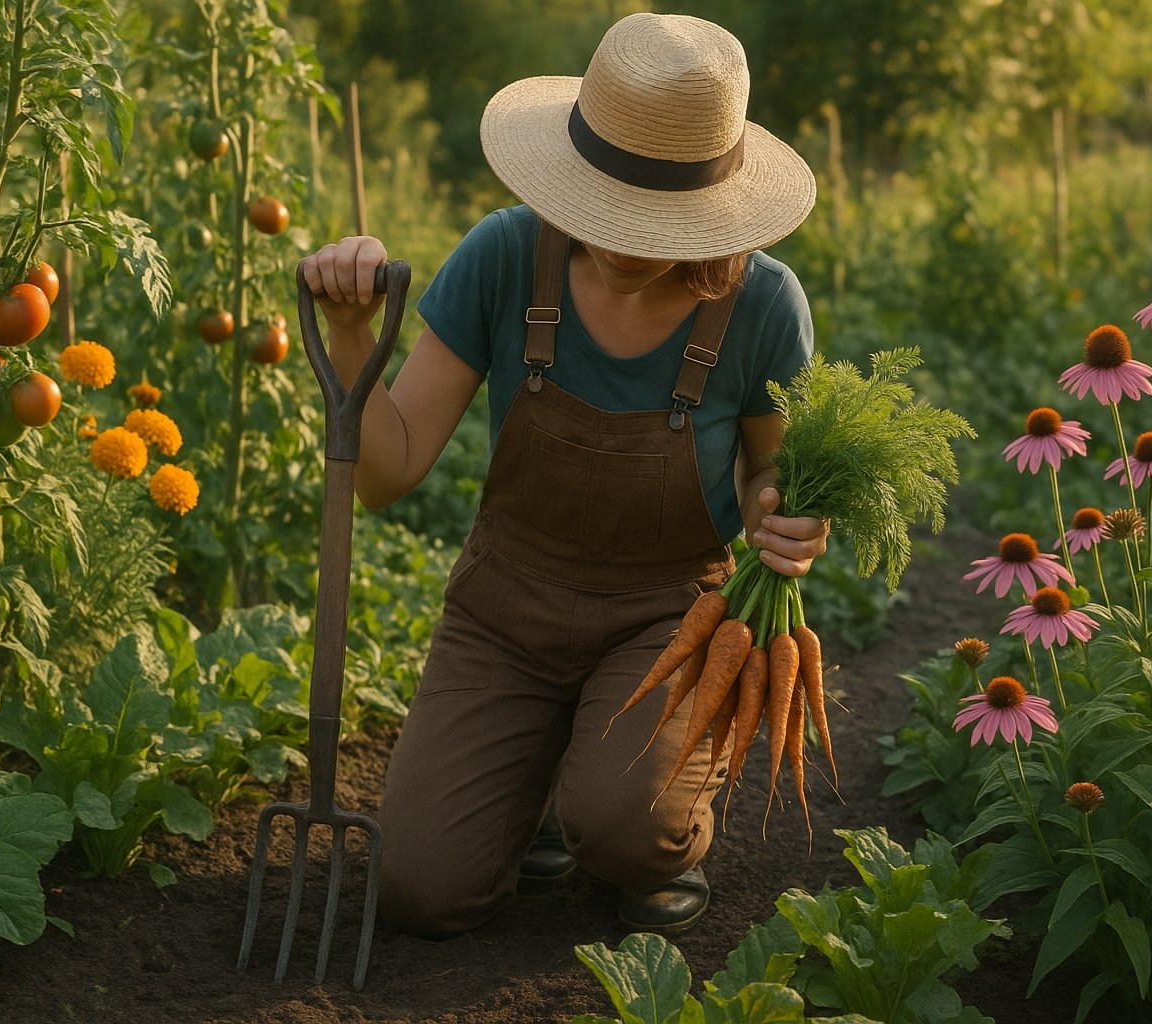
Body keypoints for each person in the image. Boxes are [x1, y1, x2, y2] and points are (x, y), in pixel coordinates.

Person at [299, 11, 827, 939]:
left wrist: (781, 517)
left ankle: (623, 800)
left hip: (669, 619)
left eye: (653, 214)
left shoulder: (762, 304)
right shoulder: (506, 256)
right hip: (505, 612)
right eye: (600, 201)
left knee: (628, 834)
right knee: (422, 886)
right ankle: (537, 781)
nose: (620, 237)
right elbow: (386, 472)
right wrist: (349, 335)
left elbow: (769, 481)